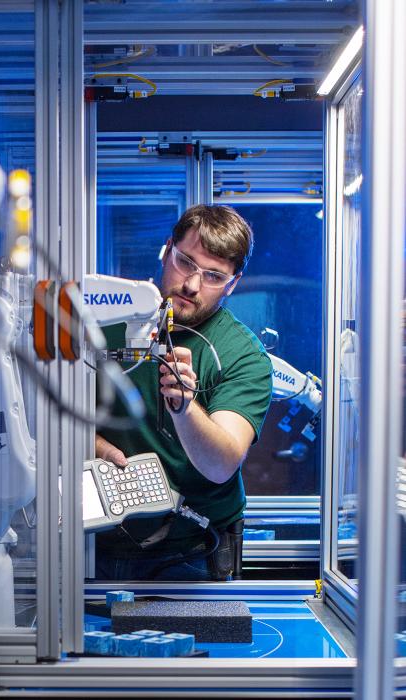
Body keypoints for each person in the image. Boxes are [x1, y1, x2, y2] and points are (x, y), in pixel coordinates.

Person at [95, 204, 272, 581]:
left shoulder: (242, 354)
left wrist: (184, 407)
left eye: (213, 276)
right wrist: (92, 444)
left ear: (233, 283)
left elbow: (221, 464)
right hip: (99, 534)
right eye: (185, 262)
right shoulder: (104, 319)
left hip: (193, 545)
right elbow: (46, 413)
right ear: (166, 249)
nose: (192, 284)